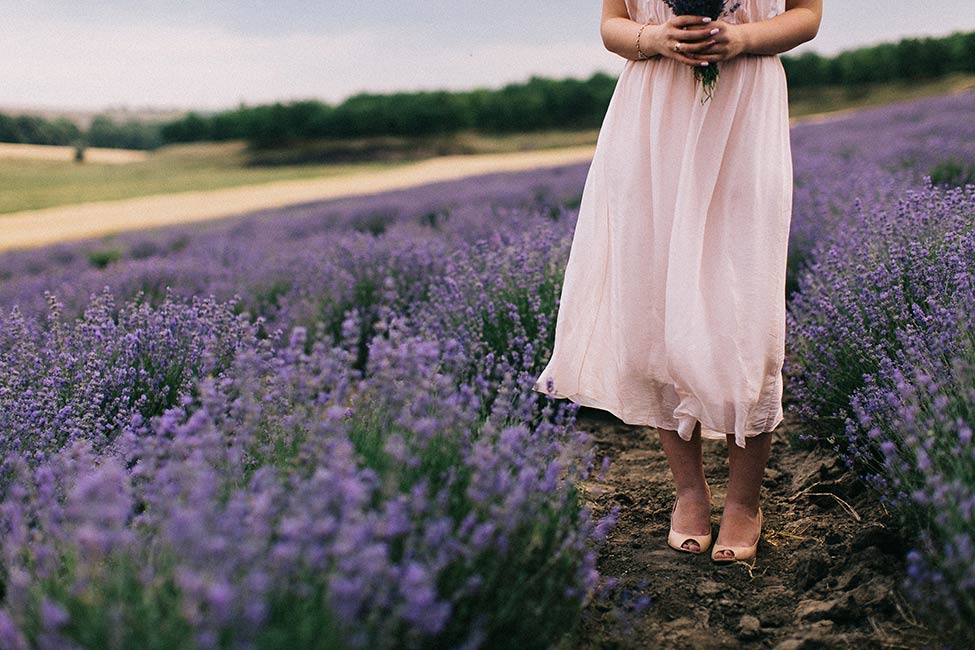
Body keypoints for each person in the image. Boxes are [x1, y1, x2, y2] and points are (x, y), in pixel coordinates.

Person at [533, 0, 822, 562]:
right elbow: (612, 26)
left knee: (743, 304)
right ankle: (689, 492)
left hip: (744, 108)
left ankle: (744, 502)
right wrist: (659, 38)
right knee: (655, 301)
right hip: (653, 116)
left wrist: (743, 39)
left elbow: (808, 15)